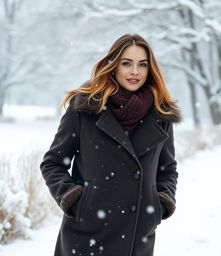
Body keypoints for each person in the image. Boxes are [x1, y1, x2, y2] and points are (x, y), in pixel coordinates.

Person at [40, 33, 181, 256]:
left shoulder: (160, 115)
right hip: (86, 235)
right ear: (113, 66)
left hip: (137, 237)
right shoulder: (85, 108)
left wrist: (160, 203)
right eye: (127, 63)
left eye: (142, 65)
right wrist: (76, 201)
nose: (135, 71)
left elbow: (167, 169)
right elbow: (53, 163)